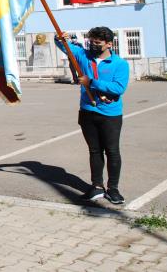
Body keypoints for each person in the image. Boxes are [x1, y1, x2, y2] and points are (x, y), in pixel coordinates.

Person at [56, 27, 130, 205]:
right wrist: (59, 38)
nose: (94, 45)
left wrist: (92, 82)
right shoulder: (84, 56)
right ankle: (97, 186)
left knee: (112, 151)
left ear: (109, 44)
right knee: (94, 151)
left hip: (110, 114)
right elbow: (64, 46)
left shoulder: (120, 64)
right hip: (88, 111)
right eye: (91, 41)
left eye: (98, 42)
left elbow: (119, 88)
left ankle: (113, 189)